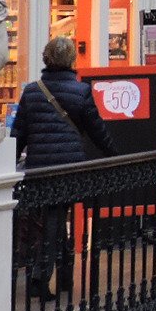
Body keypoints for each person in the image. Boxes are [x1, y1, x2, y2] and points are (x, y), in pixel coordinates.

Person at [12, 37, 120, 297]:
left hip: (39, 168)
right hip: (68, 167)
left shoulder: (32, 91)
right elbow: (97, 131)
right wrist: (114, 155)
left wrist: (9, 163)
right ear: (72, 59)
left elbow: (19, 134)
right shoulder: (80, 91)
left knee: (51, 220)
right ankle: (42, 277)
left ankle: (61, 275)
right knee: (56, 219)